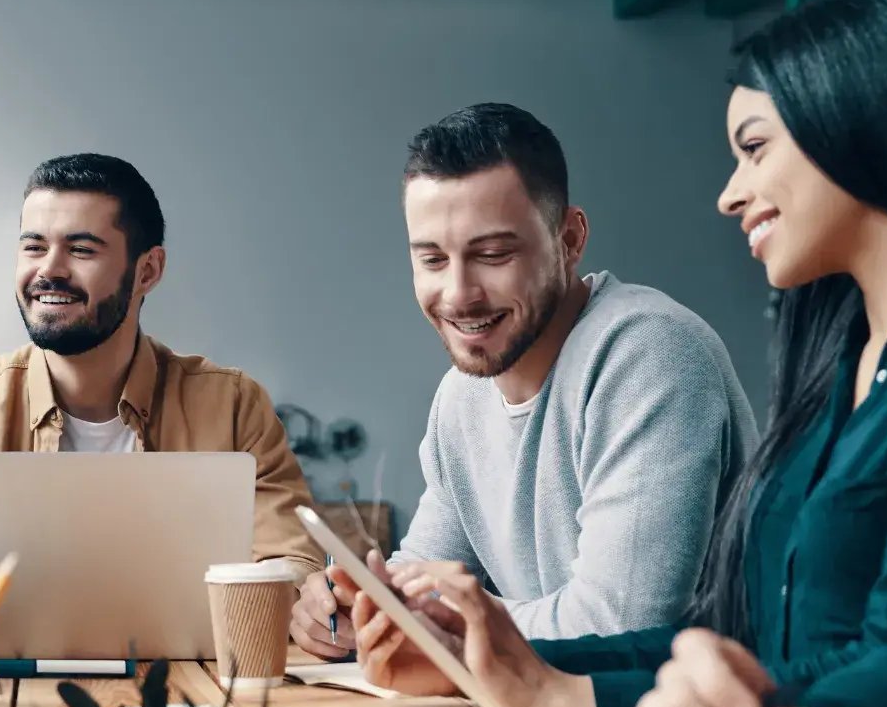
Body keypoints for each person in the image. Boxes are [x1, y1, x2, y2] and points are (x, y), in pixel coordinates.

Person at [351, 0, 887, 707]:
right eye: (431, 256)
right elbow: (742, 641)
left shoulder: (659, 350)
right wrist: (518, 670)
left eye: (754, 149)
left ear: (857, 125)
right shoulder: (838, 357)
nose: (729, 193)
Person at [288, 104, 756, 659]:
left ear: (570, 239)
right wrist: (352, 608)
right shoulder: (462, 396)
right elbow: (420, 577)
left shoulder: (648, 354)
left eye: (492, 255)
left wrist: (427, 620)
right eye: (433, 259)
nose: (459, 294)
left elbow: (617, 624)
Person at [0, 153, 326, 633]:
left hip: (188, 689)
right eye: (33, 247)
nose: (49, 271)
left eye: (81, 249)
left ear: (147, 271)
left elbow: (291, 559)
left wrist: (305, 602)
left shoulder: (233, 406)